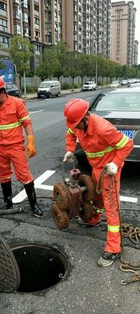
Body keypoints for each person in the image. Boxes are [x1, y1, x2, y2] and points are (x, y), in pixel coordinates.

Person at [63, 98, 133, 267]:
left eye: (76, 124)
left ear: (85, 119)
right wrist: (70, 150)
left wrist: (115, 164)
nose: (74, 127)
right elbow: (70, 133)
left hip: (109, 170)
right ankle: (94, 219)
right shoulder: (76, 124)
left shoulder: (103, 128)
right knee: (96, 196)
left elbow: (127, 144)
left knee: (111, 206)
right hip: (96, 168)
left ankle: (113, 248)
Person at [0, 74, 42, 218]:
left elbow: (27, 123)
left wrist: (30, 141)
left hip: (15, 147)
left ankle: (34, 205)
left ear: (2, 92)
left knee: (24, 175)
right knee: (3, 175)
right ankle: (8, 202)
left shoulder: (17, 103)